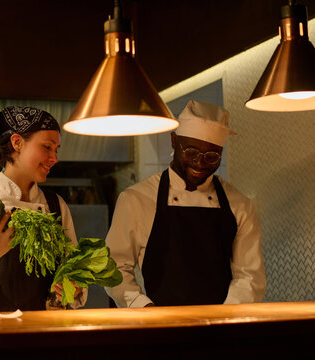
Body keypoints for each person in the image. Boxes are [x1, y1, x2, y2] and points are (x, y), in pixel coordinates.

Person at [105, 100, 266, 307]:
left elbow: (250, 275)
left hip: (222, 328)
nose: (200, 163)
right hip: (159, 326)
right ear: (174, 141)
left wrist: (227, 317)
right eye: (191, 152)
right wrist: (140, 306)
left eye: (211, 156)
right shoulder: (136, 199)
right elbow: (114, 266)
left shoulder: (240, 205)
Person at [0, 106, 86, 311]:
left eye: (56, 150)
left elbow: (76, 279)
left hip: (50, 332)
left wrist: (73, 287)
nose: (54, 158)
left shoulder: (57, 206)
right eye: (47, 147)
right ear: (17, 143)